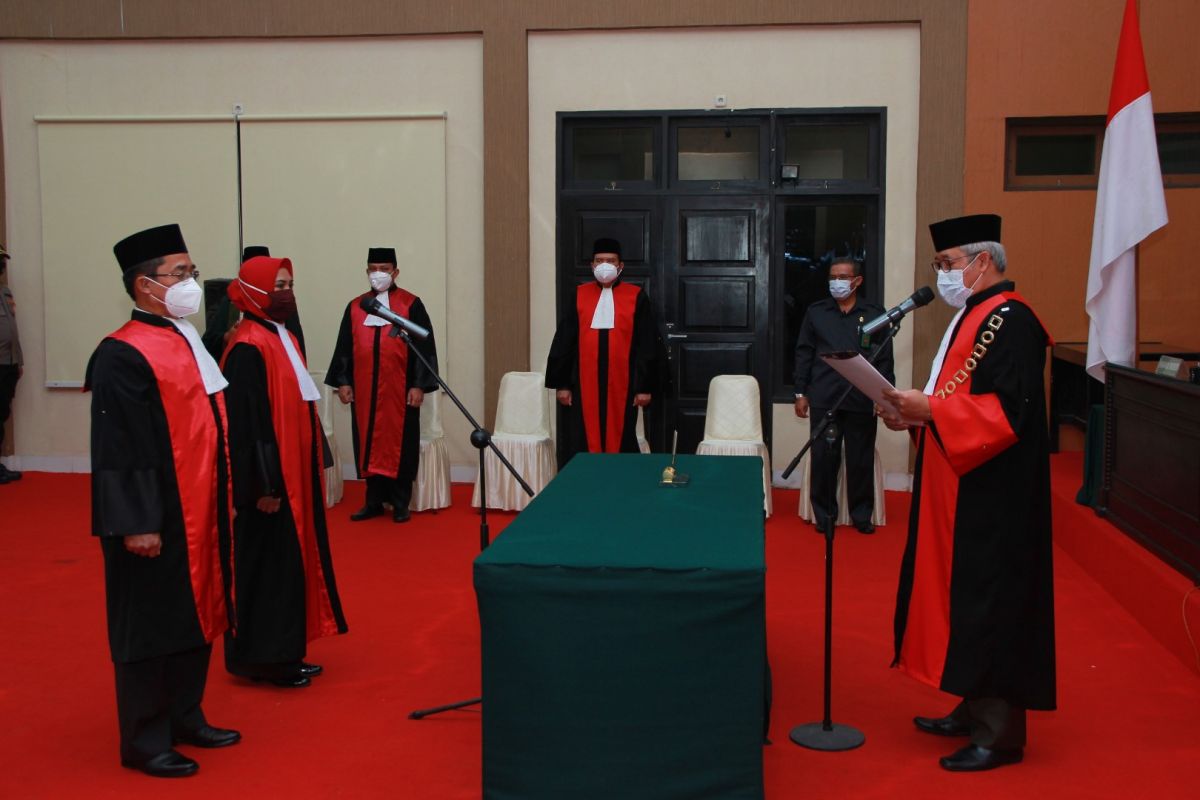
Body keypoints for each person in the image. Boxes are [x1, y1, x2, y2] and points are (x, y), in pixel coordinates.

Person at [880, 214, 1054, 772]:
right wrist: (914, 415)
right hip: (960, 480)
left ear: (983, 261)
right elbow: (954, 397)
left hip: (995, 493)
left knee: (991, 601)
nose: (943, 274)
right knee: (962, 598)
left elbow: (1009, 411)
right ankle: (970, 704)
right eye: (939, 264)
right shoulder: (973, 314)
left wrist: (929, 411)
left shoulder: (1011, 320)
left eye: (948, 263)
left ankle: (999, 735)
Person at [86, 223, 240, 777]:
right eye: (179, 274)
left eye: (191, 271)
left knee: (193, 616)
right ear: (145, 285)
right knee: (151, 624)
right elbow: (118, 447)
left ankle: (184, 715)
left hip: (197, 506)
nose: (191, 283)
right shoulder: (121, 354)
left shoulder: (186, 338)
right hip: (154, 512)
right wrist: (137, 522)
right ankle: (144, 739)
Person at [222, 255, 348, 686]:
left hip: (293, 474)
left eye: (289, 284)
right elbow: (247, 425)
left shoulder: (282, 336)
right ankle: (263, 659)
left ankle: (287, 652)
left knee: (289, 567)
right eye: (278, 286)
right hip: (269, 484)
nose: (287, 293)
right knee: (267, 570)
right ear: (255, 291)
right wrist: (264, 485)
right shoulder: (246, 347)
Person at [326, 247, 438, 523]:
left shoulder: (411, 304)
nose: (378, 274)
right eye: (373, 269)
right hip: (365, 390)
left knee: (401, 444)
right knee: (368, 442)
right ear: (367, 271)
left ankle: (400, 502)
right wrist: (343, 381)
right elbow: (344, 346)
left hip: (400, 390)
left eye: (384, 269)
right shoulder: (356, 306)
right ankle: (374, 501)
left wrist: (418, 385)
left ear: (395, 272)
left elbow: (423, 348)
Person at [792, 256, 894, 534]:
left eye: (843, 277)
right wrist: (800, 392)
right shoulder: (816, 312)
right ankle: (825, 515)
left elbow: (885, 358)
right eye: (832, 277)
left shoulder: (874, 313)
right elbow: (803, 352)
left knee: (860, 457)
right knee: (824, 457)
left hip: (861, 397)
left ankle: (861, 515)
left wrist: (884, 397)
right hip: (825, 396)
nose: (836, 282)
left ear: (857, 281)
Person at [546, 237, 659, 462]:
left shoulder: (636, 296)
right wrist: (563, 385)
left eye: (610, 260)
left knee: (623, 436)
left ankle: (621, 479)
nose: (604, 265)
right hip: (584, 382)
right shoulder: (579, 294)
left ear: (620, 265)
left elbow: (646, 343)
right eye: (599, 260)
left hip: (624, 384)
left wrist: (644, 387)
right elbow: (565, 341)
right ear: (592, 265)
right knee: (583, 438)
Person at [0, 244, 23, 484]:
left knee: (1, 413)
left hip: (7, 365)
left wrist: (19, 362)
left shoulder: (5, 292)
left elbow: (13, 332)